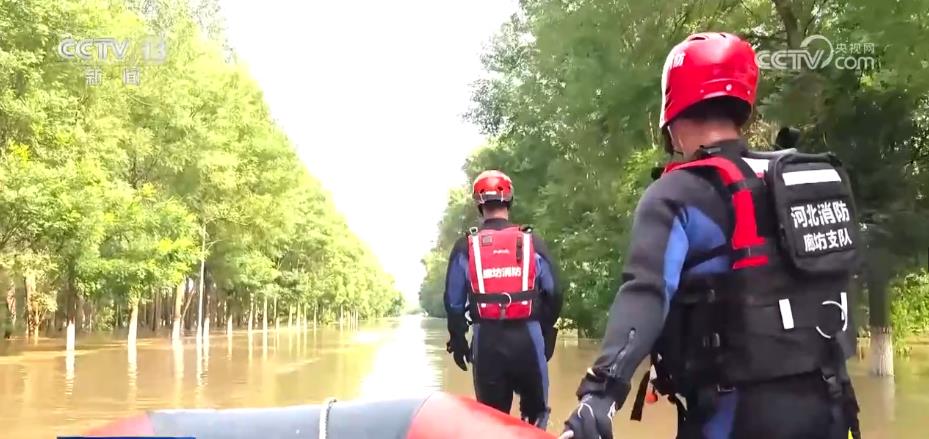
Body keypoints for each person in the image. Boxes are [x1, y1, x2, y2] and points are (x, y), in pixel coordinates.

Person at [561, 32, 862, 439]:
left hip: (739, 415)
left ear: (673, 112)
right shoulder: (796, 181)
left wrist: (601, 393)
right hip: (830, 403)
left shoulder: (676, 192)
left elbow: (646, 292)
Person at [444, 169, 563, 430]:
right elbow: (554, 292)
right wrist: (545, 331)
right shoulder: (532, 240)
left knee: (491, 424)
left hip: (487, 343)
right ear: (509, 200)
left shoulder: (466, 245)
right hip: (528, 340)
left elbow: (453, 303)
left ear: (479, 203)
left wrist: (458, 339)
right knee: (535, 420)